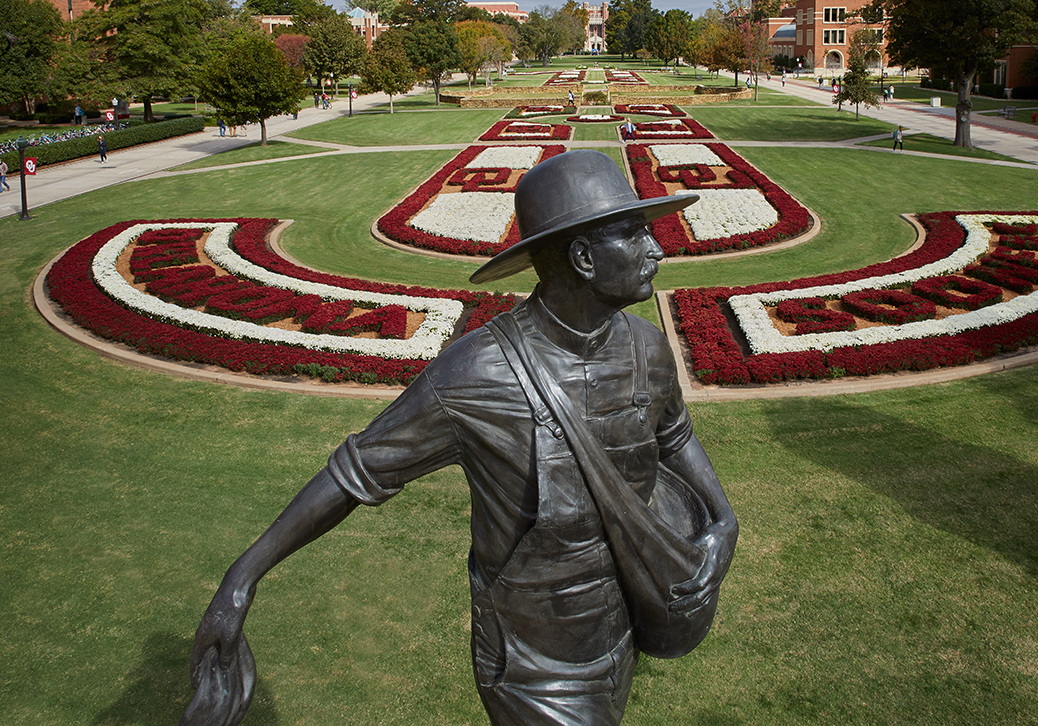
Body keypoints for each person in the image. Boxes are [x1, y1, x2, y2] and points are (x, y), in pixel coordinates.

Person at [181, 150, 738, 726]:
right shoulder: (476, 375)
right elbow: (356, 473)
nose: (658, 249)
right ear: (583, 257)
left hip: (621, 628)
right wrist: (241, 580)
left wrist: (723, 522)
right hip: (532, 661)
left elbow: (674, 438)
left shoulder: (648, 347)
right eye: (635, 234)